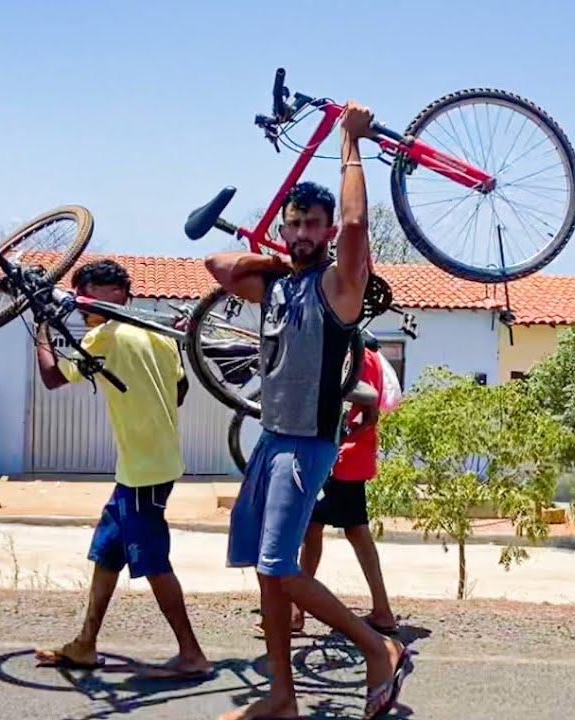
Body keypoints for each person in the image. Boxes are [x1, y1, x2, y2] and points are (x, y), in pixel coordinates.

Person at [205, 101, 410, 720]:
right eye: (293, 224)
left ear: (326, 232)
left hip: (306, 447)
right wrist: (279, 255)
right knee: (268, 576)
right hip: (270, 442)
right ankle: (282, 698)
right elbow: (217, 265)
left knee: (278, 565)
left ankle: (379, 650)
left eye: (311, 225)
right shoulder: (280, 284)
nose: (301, 233)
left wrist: (350, 143)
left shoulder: (337, 286)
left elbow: (355, 223)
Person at [31, 259, 211, 680]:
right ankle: (85, 645)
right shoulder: (160, 337)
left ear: (117, 293)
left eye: (88, 292)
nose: (81, 305)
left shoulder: (103, 337)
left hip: (144, 471)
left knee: (153, 561)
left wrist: (42, 330)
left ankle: (192, 654)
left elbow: (53, 377)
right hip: (143, 467)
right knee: (109, 550)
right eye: (78, 296)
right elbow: (181, 390)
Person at [290, 335, 396, 636]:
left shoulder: (352, 354)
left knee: (329, 529)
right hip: (348, 455)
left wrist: (341, 436)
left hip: (340, 457)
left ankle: (296, 612)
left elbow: (367, 407)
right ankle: (296, 610)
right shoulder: (367, 353)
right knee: (322, 528)